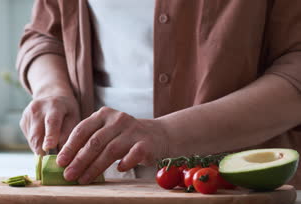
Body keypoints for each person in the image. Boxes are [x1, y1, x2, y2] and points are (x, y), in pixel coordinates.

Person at [16, 0, 301, 188]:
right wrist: (52, 89)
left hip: (233, 184)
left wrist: (166, 134)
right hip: (97, 176)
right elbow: (45, 35)